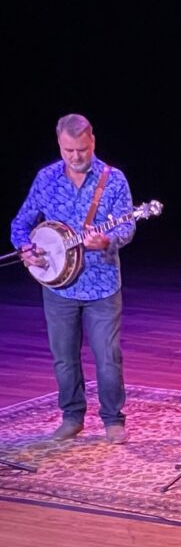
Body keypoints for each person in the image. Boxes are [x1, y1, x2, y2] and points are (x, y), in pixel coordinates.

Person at [11, 114, 136, 444]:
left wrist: (107, 240)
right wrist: (26, 249)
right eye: (69, 151)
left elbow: (127, 226)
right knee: (64, 357)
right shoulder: (46, 178)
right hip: (58, 285)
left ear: (92, 141)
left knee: (107, 356)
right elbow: (20, 224)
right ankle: (72, 416)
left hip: (102, 283)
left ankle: (113, 420)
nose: (76, 157)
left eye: (82, 149)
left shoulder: (114, 180)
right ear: (59, 145)